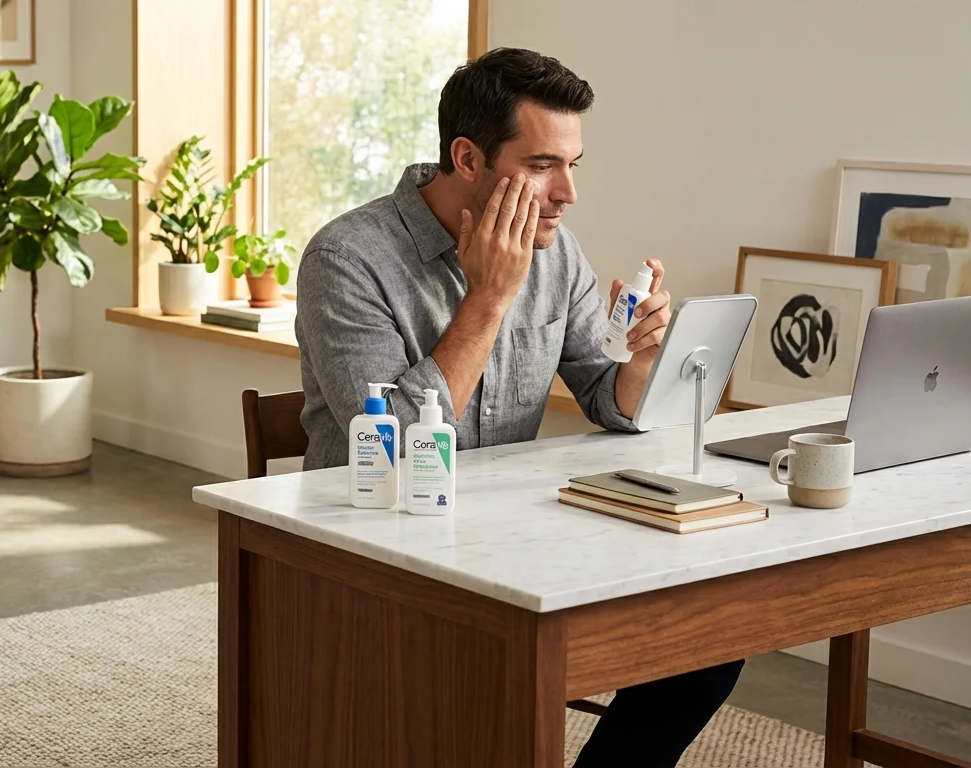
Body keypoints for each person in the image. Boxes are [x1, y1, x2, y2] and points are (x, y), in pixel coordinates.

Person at [294, 46, 743, 767]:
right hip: (376, 548)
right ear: (468, 158)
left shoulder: (557, 254)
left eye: (573, 165)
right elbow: (392, 450)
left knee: (707, 642)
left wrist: (643, 362)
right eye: (541, 167)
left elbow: (607, 397)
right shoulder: (347, 259)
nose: (568, 193)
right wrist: (491, 297)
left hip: (516, 537)